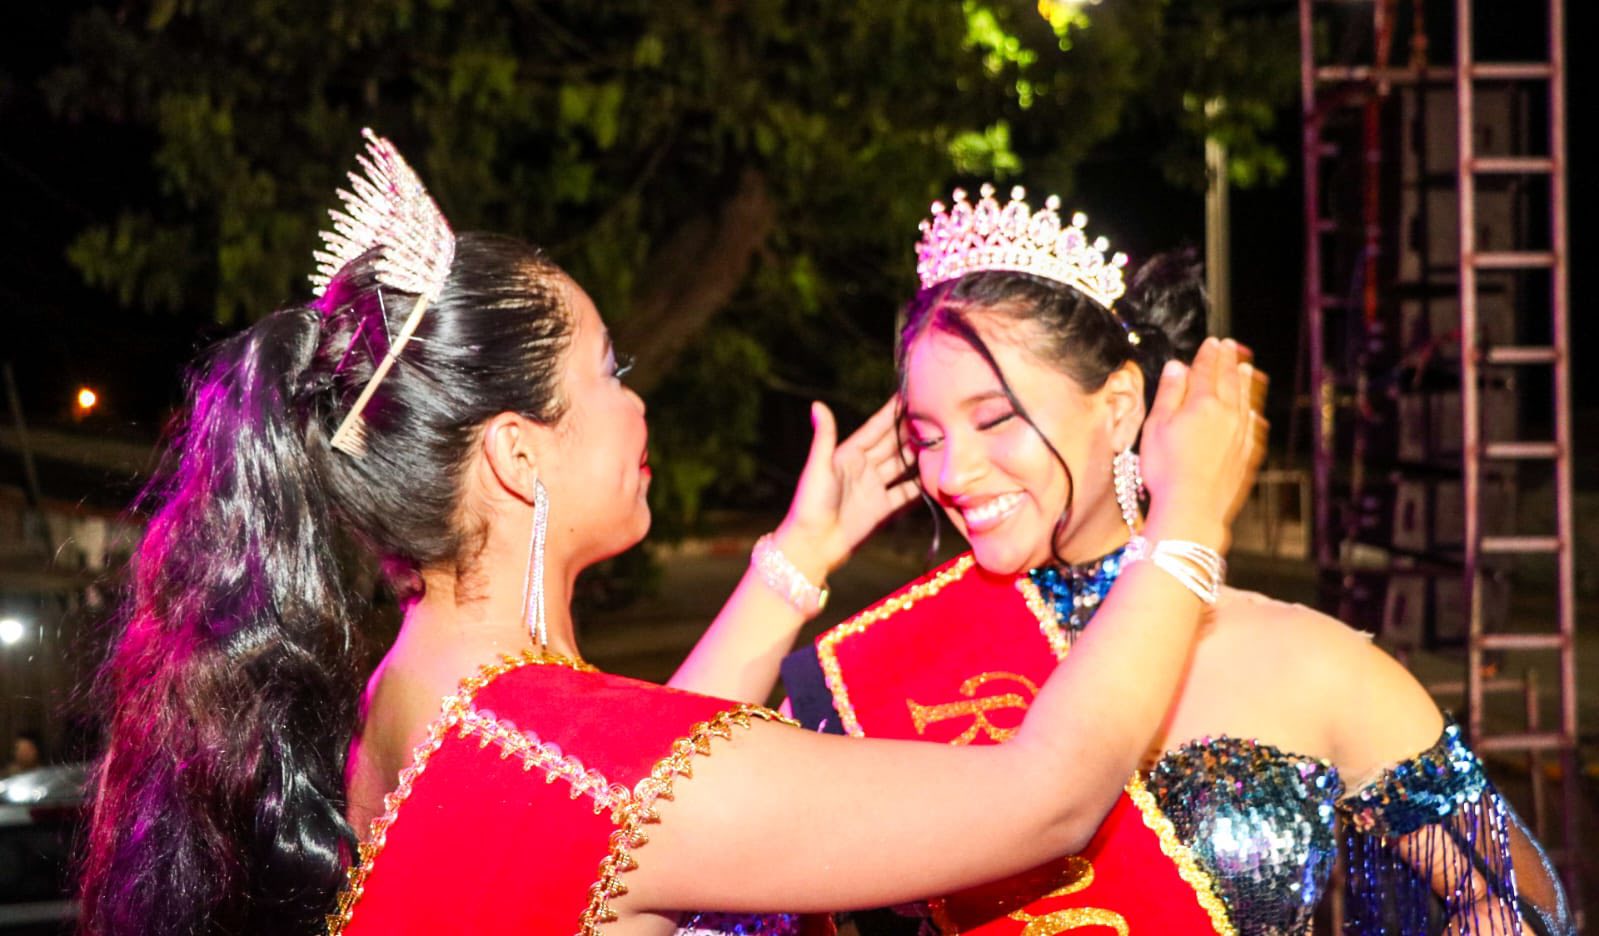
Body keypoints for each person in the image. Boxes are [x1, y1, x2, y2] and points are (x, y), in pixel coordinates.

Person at [76, 134, 1263, 936]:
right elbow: (1044, 800)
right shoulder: (569, 757)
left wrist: (797, 560)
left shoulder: (419, 705)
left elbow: (623, 799)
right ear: (517, 454)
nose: (639, 404)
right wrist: (1191, 520)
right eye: (611, 371)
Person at [778, 185, 1573, 935]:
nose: (951, 474)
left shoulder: (1308, 661)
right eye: (925, 437)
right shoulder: (881, 666)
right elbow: (708, 846)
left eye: (994, 421)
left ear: (1120, 406)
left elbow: (1514, 896)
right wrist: (790, 563)